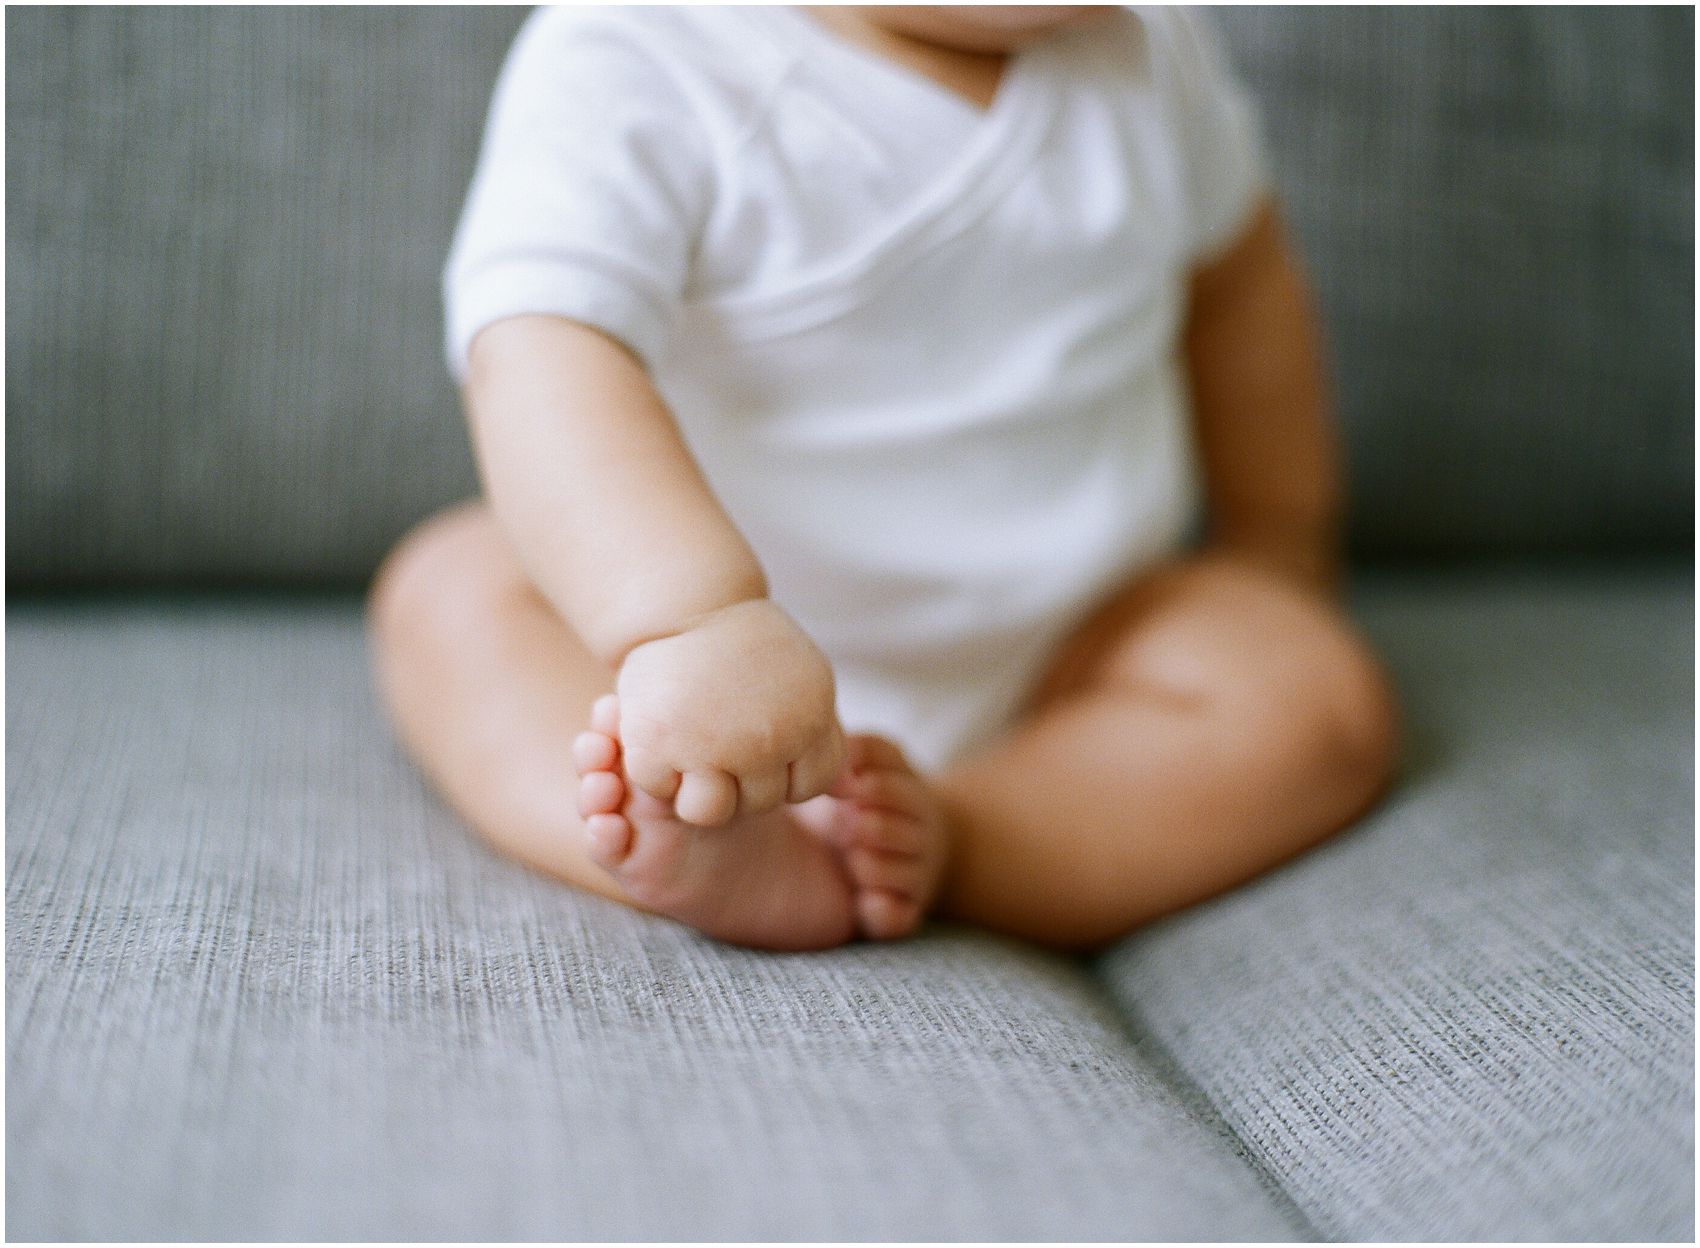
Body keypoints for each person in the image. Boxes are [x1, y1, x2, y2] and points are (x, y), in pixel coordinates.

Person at [367, 4, 1400, 952]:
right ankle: (699, 823)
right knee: (449, 592)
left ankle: (959, 837)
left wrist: (1276, 543)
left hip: (1078, 653)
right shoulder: (637, 52)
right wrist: (686, 620)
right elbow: (543, 351)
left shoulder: (1146, 45)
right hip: (692, 674)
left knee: (1316, 699)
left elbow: (1240, 295)